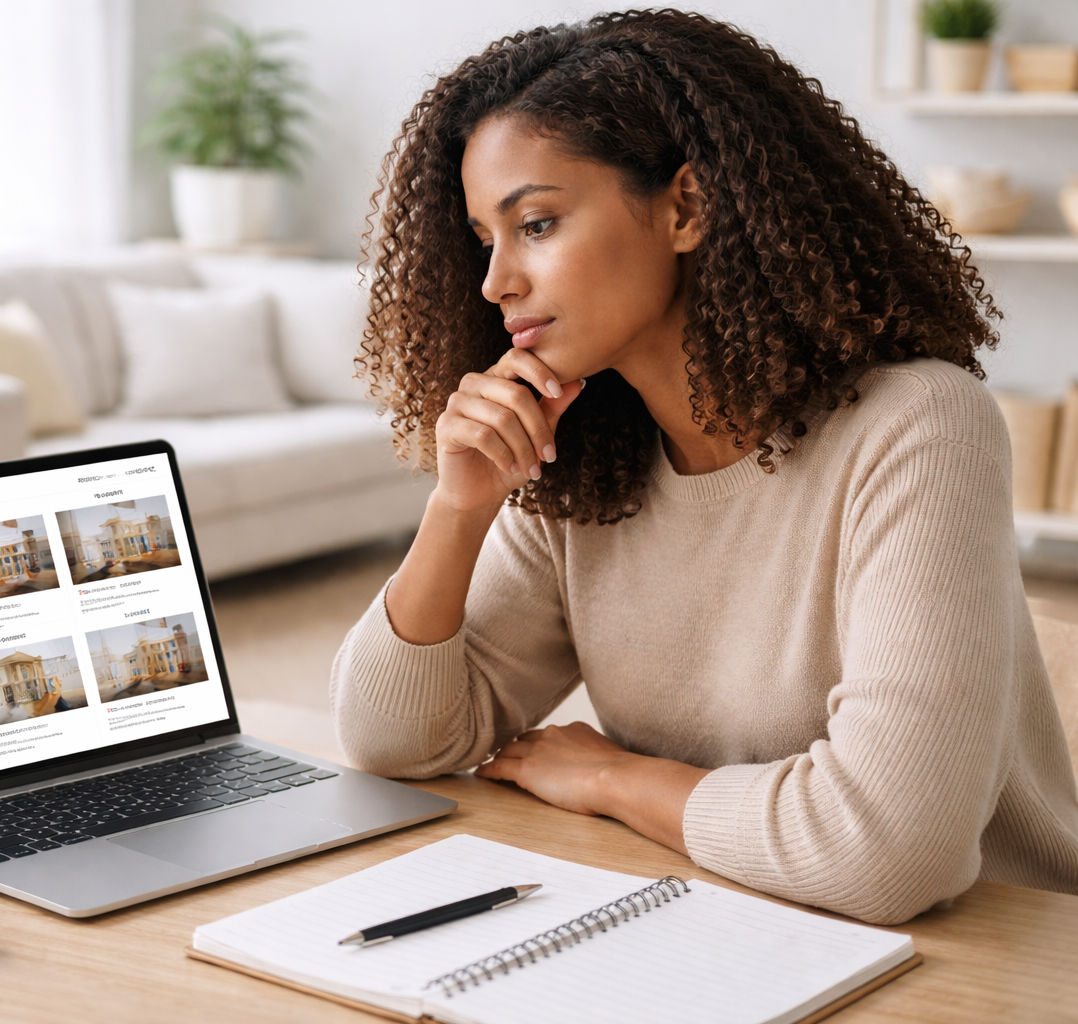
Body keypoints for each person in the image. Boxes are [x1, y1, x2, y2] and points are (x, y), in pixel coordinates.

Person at [332, 9, 1078, 926]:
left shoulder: (918, 426)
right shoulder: (586, 462)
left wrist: (612, 774)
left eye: (536, 224)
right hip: (719, 916)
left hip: (993, 954)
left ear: (687, 208)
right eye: (486, 239)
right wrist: (459, 507)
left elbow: (890, 849)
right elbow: (393, 740)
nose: (495, 284)